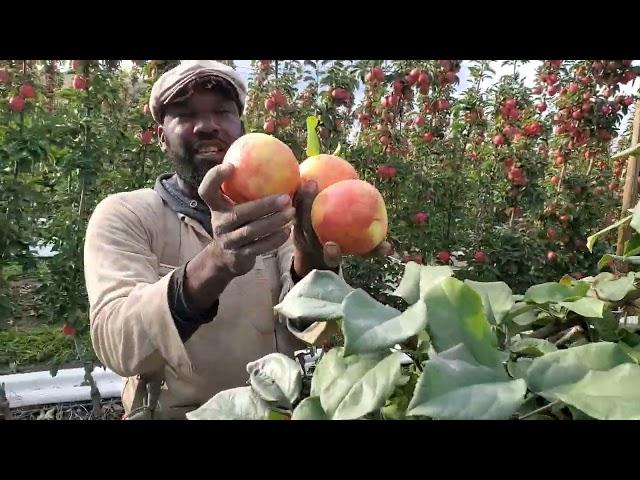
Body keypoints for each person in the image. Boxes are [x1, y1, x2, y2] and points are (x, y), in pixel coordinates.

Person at [83, 60, 389, 419]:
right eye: (184, 114)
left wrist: (312, 254)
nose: (207, 125)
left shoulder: (278, 211)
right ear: (162, 134)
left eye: (222, 112)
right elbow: (116, 343)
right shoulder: (127, 215)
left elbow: (317, 331)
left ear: (240, 127)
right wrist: (215, 262)